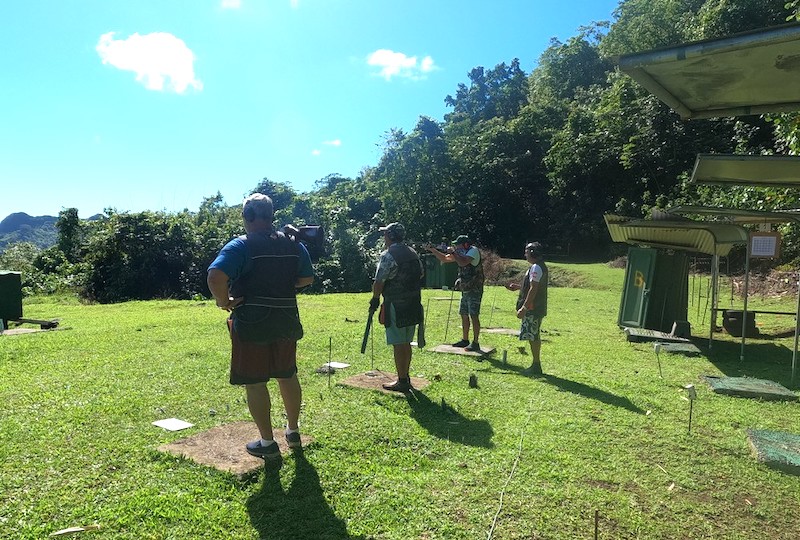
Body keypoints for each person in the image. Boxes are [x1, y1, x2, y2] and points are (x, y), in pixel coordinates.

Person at [207, 193, 314, 459]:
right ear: (271, 215)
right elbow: (307, 278)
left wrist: (224, 301)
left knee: (255, 382)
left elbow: (216, 276)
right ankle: (293, 432)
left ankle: (267, 443)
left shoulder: (240, 245)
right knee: (287, 375)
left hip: (251, 322)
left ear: (247, 216)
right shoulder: (293, 244)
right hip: (286, 319)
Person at [370, 222, 425, 393]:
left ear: (390, 236)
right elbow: (421, 273)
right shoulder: (412, 252)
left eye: (385, 234)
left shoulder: (388, 255)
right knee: (406, 342)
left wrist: (375, 298)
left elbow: (379, 281)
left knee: (398, 344)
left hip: (396, 305)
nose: (384, 237)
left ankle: (402, 380)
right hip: (413, 303)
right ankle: (405, 376)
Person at [427, 234, 484, 352]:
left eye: (458, 244)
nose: (456, 246)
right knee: (463, 313)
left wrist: (453, 252)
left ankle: (475, 342)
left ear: (465, 244)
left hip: (475, 288)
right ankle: (465, 340)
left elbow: (463, 262)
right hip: (465, 288)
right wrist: (433, 250)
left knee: (474, 315)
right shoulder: (460, 253)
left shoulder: (473, 251)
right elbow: (445, 259)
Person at [506, 242, 548, 376]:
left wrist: (524, 308)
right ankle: (535, 364)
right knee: (532, 334)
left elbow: (534, 288)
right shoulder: (538, 266)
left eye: (527, 252)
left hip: (533, 308)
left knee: (533, 335)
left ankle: (536, 365)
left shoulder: (536, 267)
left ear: (533, 253)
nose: (525, 254)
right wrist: (519, 287)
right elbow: (533, 287)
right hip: (536, 306)